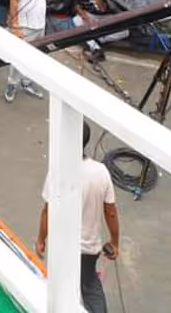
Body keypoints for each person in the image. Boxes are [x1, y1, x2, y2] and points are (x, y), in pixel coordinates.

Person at [36, 122, 120, 313]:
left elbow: (48, 211)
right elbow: (111, 212)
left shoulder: (58, 172)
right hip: (89, 249)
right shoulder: (101, 172)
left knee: (63, 289)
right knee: (90, 286)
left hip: (63, 248)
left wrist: (41, 239)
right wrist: (115, 241)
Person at [6, 0, 52, 102]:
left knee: (34, 57)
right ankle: (12, 84)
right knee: (19, 57)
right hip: (25, 26)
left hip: (40, 24)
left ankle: (27, 82)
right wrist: (15, 26)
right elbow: (14, 1)